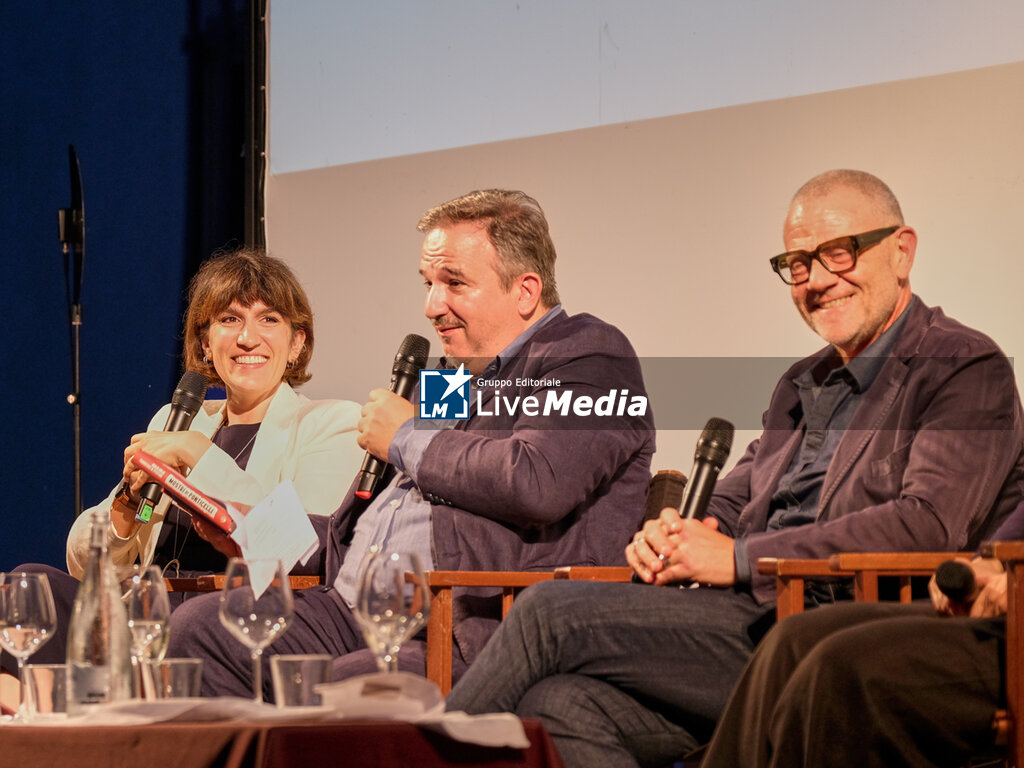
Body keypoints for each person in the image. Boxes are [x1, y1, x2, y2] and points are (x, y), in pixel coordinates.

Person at [443, 170, 1024, 768]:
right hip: (752, 620)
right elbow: (736, 500)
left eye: (838, 253)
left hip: (853, 629)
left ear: (901, 251)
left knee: (546, 612)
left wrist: (741, 559)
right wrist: (671, 533)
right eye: (797, 264)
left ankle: (409, 757)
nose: (817, 281)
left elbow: (927, 526)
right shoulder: (802, 383)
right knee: (559, 702)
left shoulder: (962, 365)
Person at [167, 188, 656, 697]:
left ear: (525, 291)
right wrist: (256, 528)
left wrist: (404, 434)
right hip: (351, 610)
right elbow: (366, 531)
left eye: (453, 283)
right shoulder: (453, 380)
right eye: (428, 283)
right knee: (201, 629)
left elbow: (537, 481)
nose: (431, 306)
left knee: (334, 687)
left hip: (460, 629)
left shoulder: (590, 355)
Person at [0, 247, 363, 687]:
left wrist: (198, 454)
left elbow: (299, 549)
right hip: (146, 616)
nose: (248, 338)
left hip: (232, 624)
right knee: (26, 584)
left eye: (269, 319)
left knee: (192, 619)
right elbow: (86, 561)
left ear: (297, 343)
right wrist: (132, 507)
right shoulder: (180, 421)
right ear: (205, 343)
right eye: (229, 320)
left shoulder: (331, 423)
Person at [698, 502, 1024, 768]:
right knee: (795, 639)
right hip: (1000, 614)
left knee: (845, 668)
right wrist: (985, 566)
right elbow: (1005, 543)